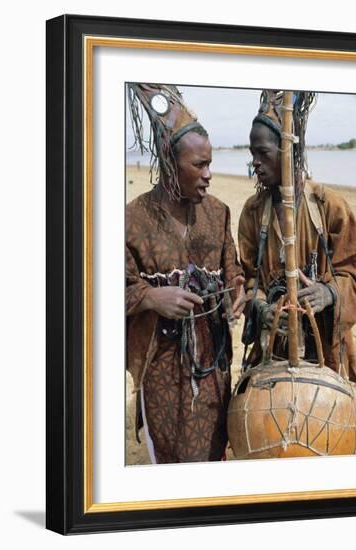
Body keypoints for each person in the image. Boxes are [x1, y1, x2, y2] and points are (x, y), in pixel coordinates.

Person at [126, 84, 245, 463]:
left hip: (213, 362)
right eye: (199, 165)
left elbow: (233, 270)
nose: (209, 174)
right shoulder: (131, 220)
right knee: (169, 454)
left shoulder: (219, 212)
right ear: (168, 162)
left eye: (210, 163)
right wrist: (150, 297)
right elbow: (98, 287)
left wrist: (236, 292)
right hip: (159, 363)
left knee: (212, 449)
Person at [238, 90, 356, 382]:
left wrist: (330, 292)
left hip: (325, 351)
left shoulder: (329, 206)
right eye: (252, 154)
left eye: (263, 153)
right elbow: (246, 278)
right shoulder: (252, 213)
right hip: (272, 352)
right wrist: (262, 308)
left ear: (287, 151)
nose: (255, 163)